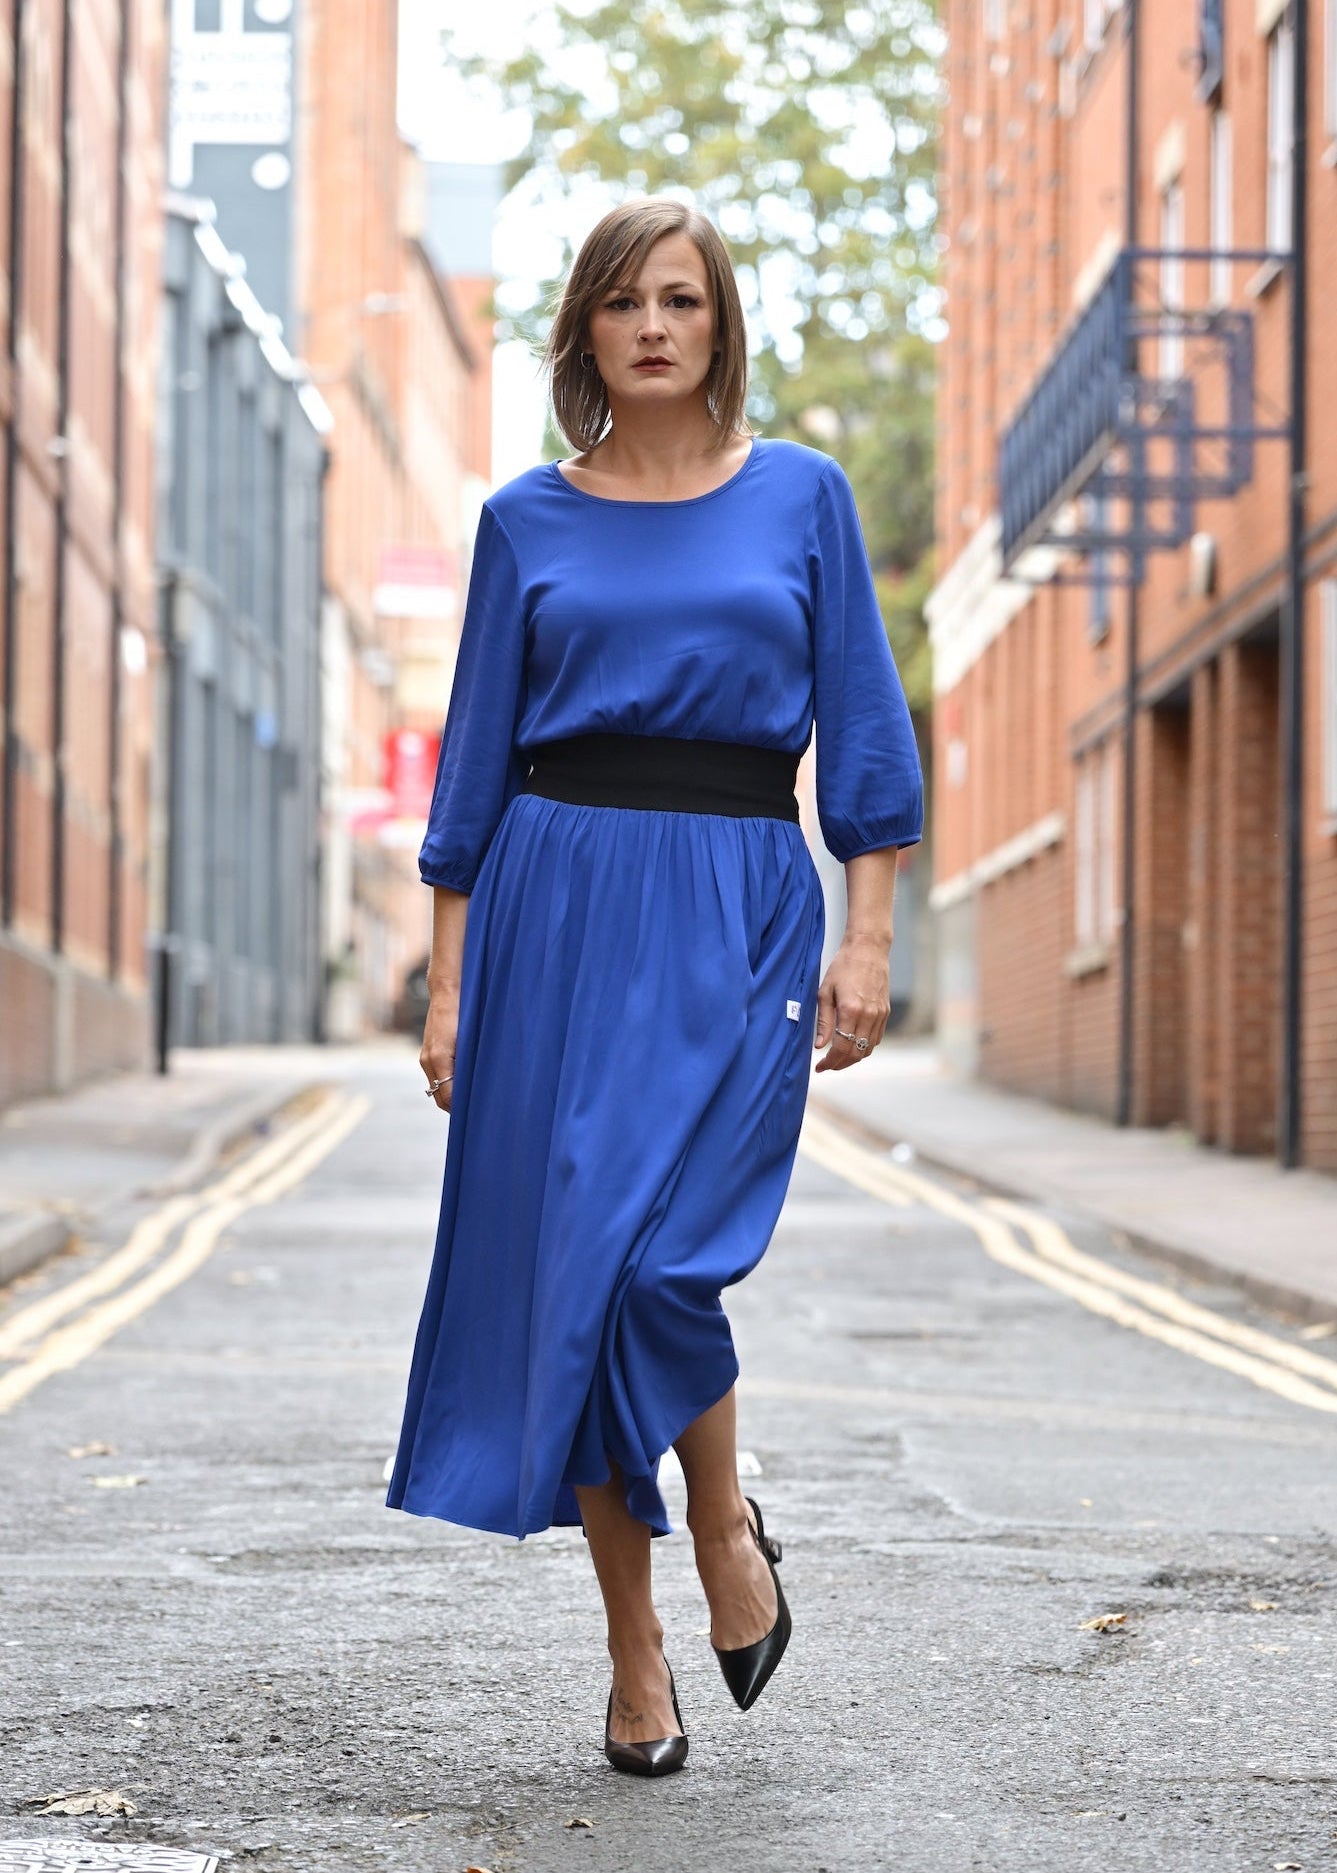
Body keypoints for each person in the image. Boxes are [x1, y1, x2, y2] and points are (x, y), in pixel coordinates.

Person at [386, 196, 923, 1777]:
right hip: (557, 905)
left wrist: (868, 931)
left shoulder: (804, 499)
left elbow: (866, 729)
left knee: (665, 1265)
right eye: (622, 300)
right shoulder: (524, 525)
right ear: (585, 332)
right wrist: (446, 989)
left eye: (680, 298)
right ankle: (635, 1651)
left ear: (719, 322)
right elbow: (470, 772)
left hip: (741, 903)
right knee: (584, 1280)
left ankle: (722, 1534)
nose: (653, 324)